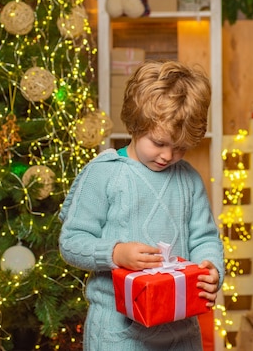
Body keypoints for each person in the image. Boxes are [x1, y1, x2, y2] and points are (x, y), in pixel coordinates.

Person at [59, 60, 224, 350]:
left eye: (180, 147)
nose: (167, 155)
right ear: (137, 124)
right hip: (117, 333)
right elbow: (71, 242)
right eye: (158, 142)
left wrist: (212, 269)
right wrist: (116, 253)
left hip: (181, 332)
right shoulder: (105, 173)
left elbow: (205, 238)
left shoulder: (189, 180)